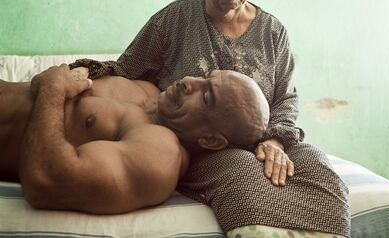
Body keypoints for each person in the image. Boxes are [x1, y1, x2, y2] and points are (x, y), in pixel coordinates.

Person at [71, 0, 351, 237]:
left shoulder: (273, 32)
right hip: (201, 146)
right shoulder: (175, 19)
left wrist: (276, 139)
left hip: (264, 139)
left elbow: (286, 96)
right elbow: (125, 69)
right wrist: (77, 79)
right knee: (240, 169)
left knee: (312, 162)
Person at [0, 64, 269, 213]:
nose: (188, 80)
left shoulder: (159, 154)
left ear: (211, 140)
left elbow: (47, 181)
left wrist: (52, 87)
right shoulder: (146, 89)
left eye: (206, 96)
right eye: (204, 77)